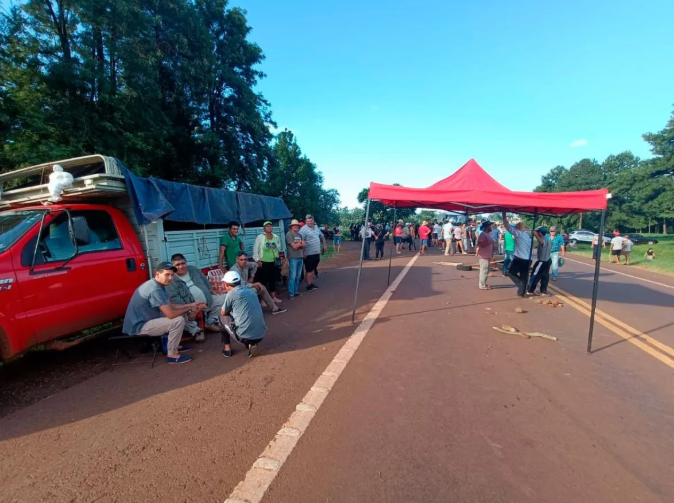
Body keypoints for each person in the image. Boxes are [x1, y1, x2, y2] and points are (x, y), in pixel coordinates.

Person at [123, 262, 207, 365]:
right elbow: (170, 314)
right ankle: (172, 354)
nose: (170, 278)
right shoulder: (154, 289)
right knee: (177, 320)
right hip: (138, 326)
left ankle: (175, 345)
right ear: (157, 274)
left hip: (146, 319)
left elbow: (171, 306)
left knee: (179, 315)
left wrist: (191, 305)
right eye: (167, 274)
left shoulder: (158, 285)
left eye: (172, 275)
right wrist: (190, 308)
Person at [166, 253, 227, 341]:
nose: (181, 266)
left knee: (225, 299)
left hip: (207, 300)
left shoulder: (193, 269)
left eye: (183, 263)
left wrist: (211, 290)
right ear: (173, 267)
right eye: (177, 265)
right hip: (189, 306)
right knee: (181, 316)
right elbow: (175, 299)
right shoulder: (171, 280)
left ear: (186, 263)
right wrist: (192, 306)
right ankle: (197, 331)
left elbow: (204, 280)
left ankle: (210, 322)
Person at [220, 271, 266, 358]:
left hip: (243, 336)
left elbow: (223, 312)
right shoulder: (251, 291)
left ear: (226, 284)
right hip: (261, 334)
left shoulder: (231, 294)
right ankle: (251, 344)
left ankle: (227, 348)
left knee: (221, 317)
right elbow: (257, 289)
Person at [502, 211, 533, 298]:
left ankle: (522, 287)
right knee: (524, 276)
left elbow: (507, 227)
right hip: (528, 259)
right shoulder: (527, 237)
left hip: (520, 259)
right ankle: (521, 292)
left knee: (511, 273)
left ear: (517, 228)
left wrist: (504, 216)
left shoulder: (518, 233)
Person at [252, 221, 283, 304]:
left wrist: (279, 258)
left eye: (270, 226)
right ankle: (263, 300)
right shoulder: (260, 237)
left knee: (273, 279)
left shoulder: (276, 237)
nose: (269, 227)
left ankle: (273, 297)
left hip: (274, 261)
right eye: (267, 226)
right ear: (264, 228)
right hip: (264, 262)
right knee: (264, 281)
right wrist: (258, 260)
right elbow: (255, 249)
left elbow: (278, 249)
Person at [299, 214, 327, 291]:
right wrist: (303, 252)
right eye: (308, 221)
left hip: (316, 252)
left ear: (313, 220)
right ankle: (308, 285)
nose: (309, 222)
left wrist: (324, 245)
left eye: (311, 221)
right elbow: (301, 241)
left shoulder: (316, 227)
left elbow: (322, 236)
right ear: (305, 221)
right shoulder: (303, 230)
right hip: (308, 253)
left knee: (312, 269)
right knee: (309, 269)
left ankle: (310, 283)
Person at [528, 227, 552, 296]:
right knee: (545, 276)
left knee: (535, 275)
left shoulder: (543, 240)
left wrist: (535, 235)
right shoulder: (548, 239)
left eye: (538, 232)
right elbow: (539, 245)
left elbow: (541, 242)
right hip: (548, 260)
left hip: (542, 261)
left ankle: (530, 290)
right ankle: (543, 291)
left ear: (540, 233)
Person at [285, 219, 305, 300]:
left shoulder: (299, 235)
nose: (296, 226)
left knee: (298, 276)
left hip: (300, 256)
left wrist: (298, 244)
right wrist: (300, 243)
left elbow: (304, 245)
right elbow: (294, 246)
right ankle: (291, 293)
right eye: (295, 225)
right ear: (291, 227)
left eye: (297, 226)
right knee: (292, 276)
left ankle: (296, 291)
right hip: (293, 257)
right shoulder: (289, 234)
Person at [476, 220, 494, 290]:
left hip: (486, 256)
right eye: (490, 226)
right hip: (484, 256)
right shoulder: (483, 234)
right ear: (487, 227)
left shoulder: (486, 234)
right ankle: (482, 285)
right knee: (484, 271)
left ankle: (483, 283)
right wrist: (489, 243)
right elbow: (480, 244)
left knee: (485, 271)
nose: (491, 227)